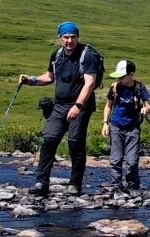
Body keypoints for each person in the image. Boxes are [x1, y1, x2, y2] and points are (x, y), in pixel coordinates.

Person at [18, 21, 101, 196]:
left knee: (75, 143)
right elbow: (49, 77)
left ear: (77, 37)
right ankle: (42, 183)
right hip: (59, 105)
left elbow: (90, 83)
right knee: (49, 140)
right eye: (66, 37)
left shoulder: (87, 56)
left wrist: (78, 106)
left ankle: (75, 184)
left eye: (73, 37)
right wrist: (31, 80)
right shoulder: (56, 55)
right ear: (60, 38)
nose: (69, 40)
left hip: (80, 105)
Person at [101, 60, 150, 190]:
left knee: (132, 160)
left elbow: (149, 105)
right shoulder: (114, 87)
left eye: (122, 76)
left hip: (133, 128)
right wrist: (105, 123)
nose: (119, 79)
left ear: (131, 74)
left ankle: (132, 186)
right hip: (116, 126)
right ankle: (116, 185)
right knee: (116, 159)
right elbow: (108, 106)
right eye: (118, 76)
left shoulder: (139, 87)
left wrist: (146, 109)